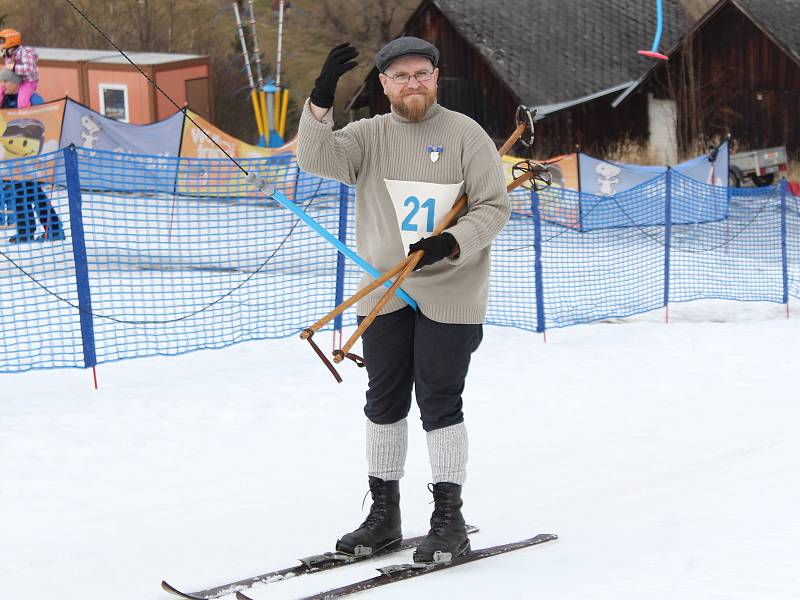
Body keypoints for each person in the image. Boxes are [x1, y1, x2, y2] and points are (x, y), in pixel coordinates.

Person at [296, 38, 510, 563]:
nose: (411, 83)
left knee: (439, 401)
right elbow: (314, 157)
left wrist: (451, 242)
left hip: (449, 290)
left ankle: (448, 519)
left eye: (421, 73)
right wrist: (321, 98)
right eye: (400, 76)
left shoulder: (465, 134)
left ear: (436, 77)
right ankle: (384, 516)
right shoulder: (367, 136)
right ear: (384, 84)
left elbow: (493, 205)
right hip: (386, 290)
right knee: (384, 403)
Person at [1, 69, 63, 243]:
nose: (3, 85)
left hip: (32, 156)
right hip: (11, 157)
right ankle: (30, 230)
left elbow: (46, 118)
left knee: (31, 192)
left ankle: (50, 229)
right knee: (22, 193)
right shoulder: (4, 100)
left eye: (6, 82)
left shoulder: (32, 99)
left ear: (16, 82)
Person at [0, 29, 39, 108]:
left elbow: (28, 70)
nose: (2, 52)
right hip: (16, 80)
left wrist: (14, 67)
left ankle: (23, 117)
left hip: (28, 81)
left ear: (11, 45)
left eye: (3, 50)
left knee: (22, 100)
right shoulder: (9, 55)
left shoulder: (24, 53)